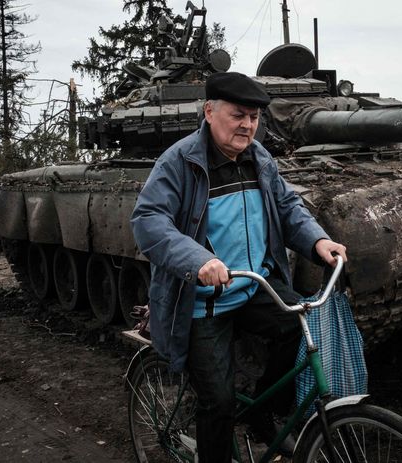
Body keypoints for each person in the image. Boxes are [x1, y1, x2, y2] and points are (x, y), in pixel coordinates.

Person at [130, 71, 347, 463]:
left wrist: (318, 241)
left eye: (254, 117)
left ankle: (263, 411)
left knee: (301, 327)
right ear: (209, 111)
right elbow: (149, 222)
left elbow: (287, 207)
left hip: (251, 287)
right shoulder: (179, 162)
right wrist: (200, 260)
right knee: (219, 404)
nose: (248, 125)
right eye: (238, 115)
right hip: (201, 304)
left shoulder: (258, 157)